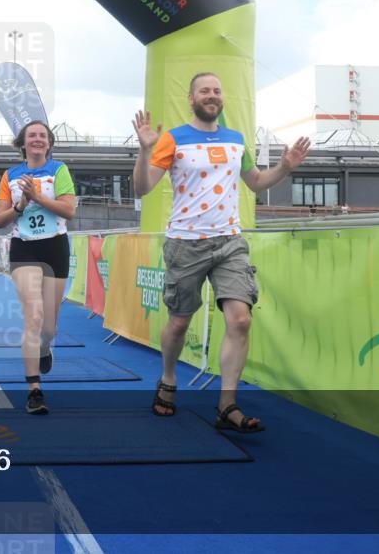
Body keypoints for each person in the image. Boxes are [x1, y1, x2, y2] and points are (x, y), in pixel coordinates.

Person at [132, 72, 310, 433]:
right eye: (204, 91)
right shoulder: (173, 139)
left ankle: (227, 404)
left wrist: (284, 168)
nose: (211, 95)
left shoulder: (236, 139)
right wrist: (145, 149)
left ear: (222, 97)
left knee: (241, 319)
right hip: (185, 242)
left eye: (216, 90)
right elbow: (142, 188)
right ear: (191, 99)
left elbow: (255, 181)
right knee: (179, 322)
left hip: (229, 241)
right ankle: (168, 377)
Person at [0, 121, 77, 415]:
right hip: (24, 248)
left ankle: (44, 347)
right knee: (34, 315)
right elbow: (0, 220)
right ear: (23, 143)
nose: (38, 140)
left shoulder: (59, 170)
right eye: (32, 136)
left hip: (55, 247)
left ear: (49, 143)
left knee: (49, 327)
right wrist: (21, 204)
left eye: (43, 136)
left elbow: (69, 210)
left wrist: (38, 197)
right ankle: (34, 390)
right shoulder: (10, 175)